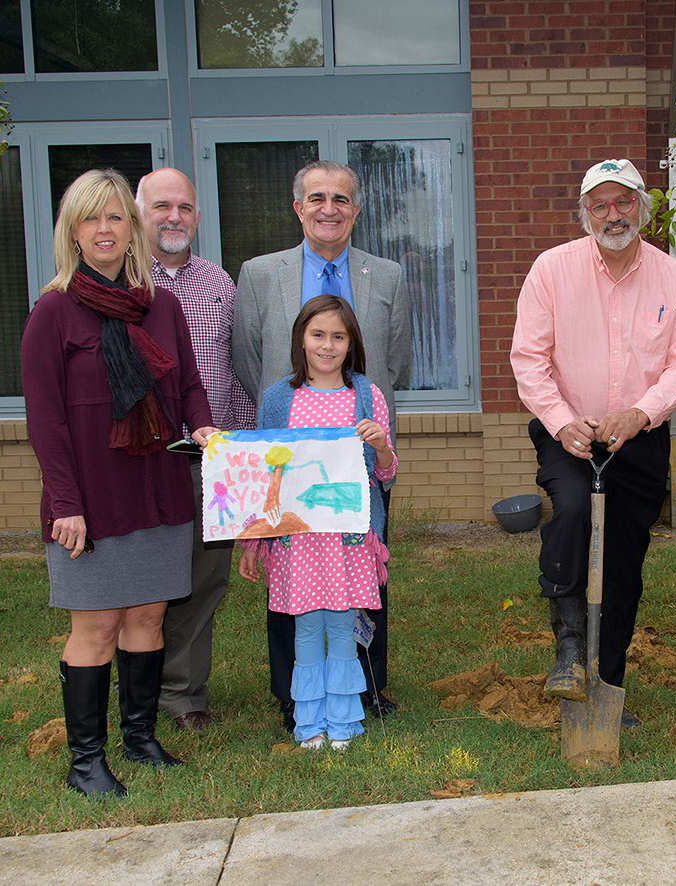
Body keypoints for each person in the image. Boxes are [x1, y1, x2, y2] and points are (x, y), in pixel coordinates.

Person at [21, 168, 218, 798]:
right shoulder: (52, 313)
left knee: (148, 619)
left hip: (158, 491)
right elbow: (45, 422)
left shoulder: (162, 306)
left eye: (115, 217)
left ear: (130, 229)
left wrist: (207, 428)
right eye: (91, 218)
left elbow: (188, 385)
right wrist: (67, 506)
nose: (105, 229)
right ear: (73, 232)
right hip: (90, 500)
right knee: (96, 627)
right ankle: (85, 761)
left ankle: (139, 739)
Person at [509, 159, 676, 727]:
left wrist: (641, 414)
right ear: (585, 213)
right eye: (600, 205)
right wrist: (559, 418)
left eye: (624, 202)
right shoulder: (551, 269)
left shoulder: (673, 278)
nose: (613, 215)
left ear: (643, 207)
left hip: (638, 438)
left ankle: (608, 689)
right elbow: (530, 360)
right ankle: (569, 644)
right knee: (570, 510)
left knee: (622, 562)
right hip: (567, 430)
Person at [233, 160, 410, 727]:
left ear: (356, 209)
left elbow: (395, 363)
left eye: (340, 198)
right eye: (316, 198)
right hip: (289, 477)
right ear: (298, 207)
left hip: (360, 467)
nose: (328, 208)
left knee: (363, 577)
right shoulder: (260, 274)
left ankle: (365, 690)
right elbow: (248, 362)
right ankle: (296, 699)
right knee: (294, 590)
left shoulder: (387, 276)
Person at [238, 295, 397, 750]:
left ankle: (345, 721)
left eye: (338, 337)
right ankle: (309, 723)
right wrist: (254, 542)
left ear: (351, 344)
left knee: (344, 626)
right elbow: (263, 475)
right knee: (306, 628)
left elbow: (384, 473)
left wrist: (381, 445)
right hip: (298, 542)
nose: (328, 346)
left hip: (348, 541)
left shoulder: (366, 395)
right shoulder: (278, 400)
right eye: (318, 335)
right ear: (301, 340)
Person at [136, 167, 257, 735]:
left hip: (212, 458)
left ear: (198, 217)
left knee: (204, 578)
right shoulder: (124, 283)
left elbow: (235, 373)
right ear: (140, 213)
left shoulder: (218, 284)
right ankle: (135, 688)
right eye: (161, 206)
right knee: (144, 578)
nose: (173, 217)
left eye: (184, 207)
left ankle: (183, 695)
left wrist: (247, 449)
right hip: (141, 462)